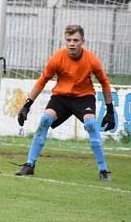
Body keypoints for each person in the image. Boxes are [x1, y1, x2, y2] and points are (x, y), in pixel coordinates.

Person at [15, 24, 114, 180]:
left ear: (83, 41)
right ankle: (29, 165)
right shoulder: (57, 57)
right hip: (61, 97)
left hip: (84, 97)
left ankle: (103, 171)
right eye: (68, 40)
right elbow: (42, 81)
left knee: (91, 124)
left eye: (75, 40)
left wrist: (109, 111)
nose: (71, 44)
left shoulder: (92, 59)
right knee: (45, 119)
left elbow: (104, 83)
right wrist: (26, 105)